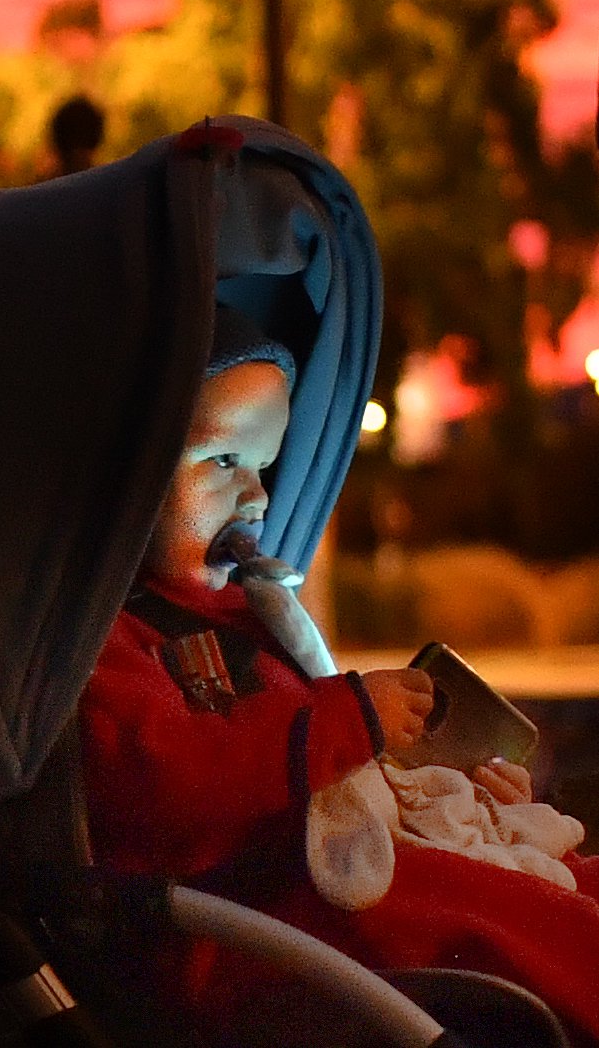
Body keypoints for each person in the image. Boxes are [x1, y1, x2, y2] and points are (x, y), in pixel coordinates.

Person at [79, 306, 599, 1045]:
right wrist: (344, 720)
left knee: (557, 882)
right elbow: (161, 776)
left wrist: (435, 779)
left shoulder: (241, 617)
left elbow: (330, 772)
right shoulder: (107, 642)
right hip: (251, 926)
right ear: (117, 476)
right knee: (509, 914)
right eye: (222, 461)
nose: (256, 496)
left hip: (328, 886)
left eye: (262, 467)